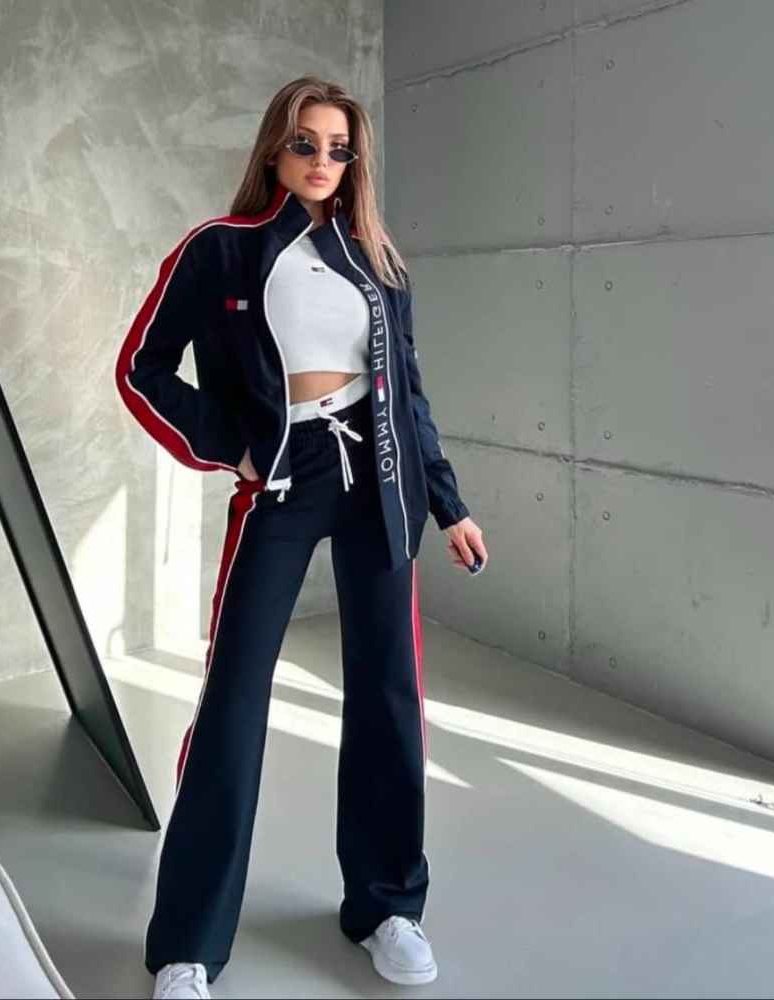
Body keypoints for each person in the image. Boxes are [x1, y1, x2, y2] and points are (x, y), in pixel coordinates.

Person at [115, 75, 488, 1000]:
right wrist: (234, 447)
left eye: (339, 148)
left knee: (388, 692)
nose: (324, 161)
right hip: (285, 475)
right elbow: (141, 368)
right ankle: (188, 945)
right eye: (305, 143)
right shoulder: (222, 248)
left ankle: (387, 906)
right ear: (274, 150)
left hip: (381, 477)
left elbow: (408, 391)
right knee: (234, 698)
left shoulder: (377, 261)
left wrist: (448, 504)